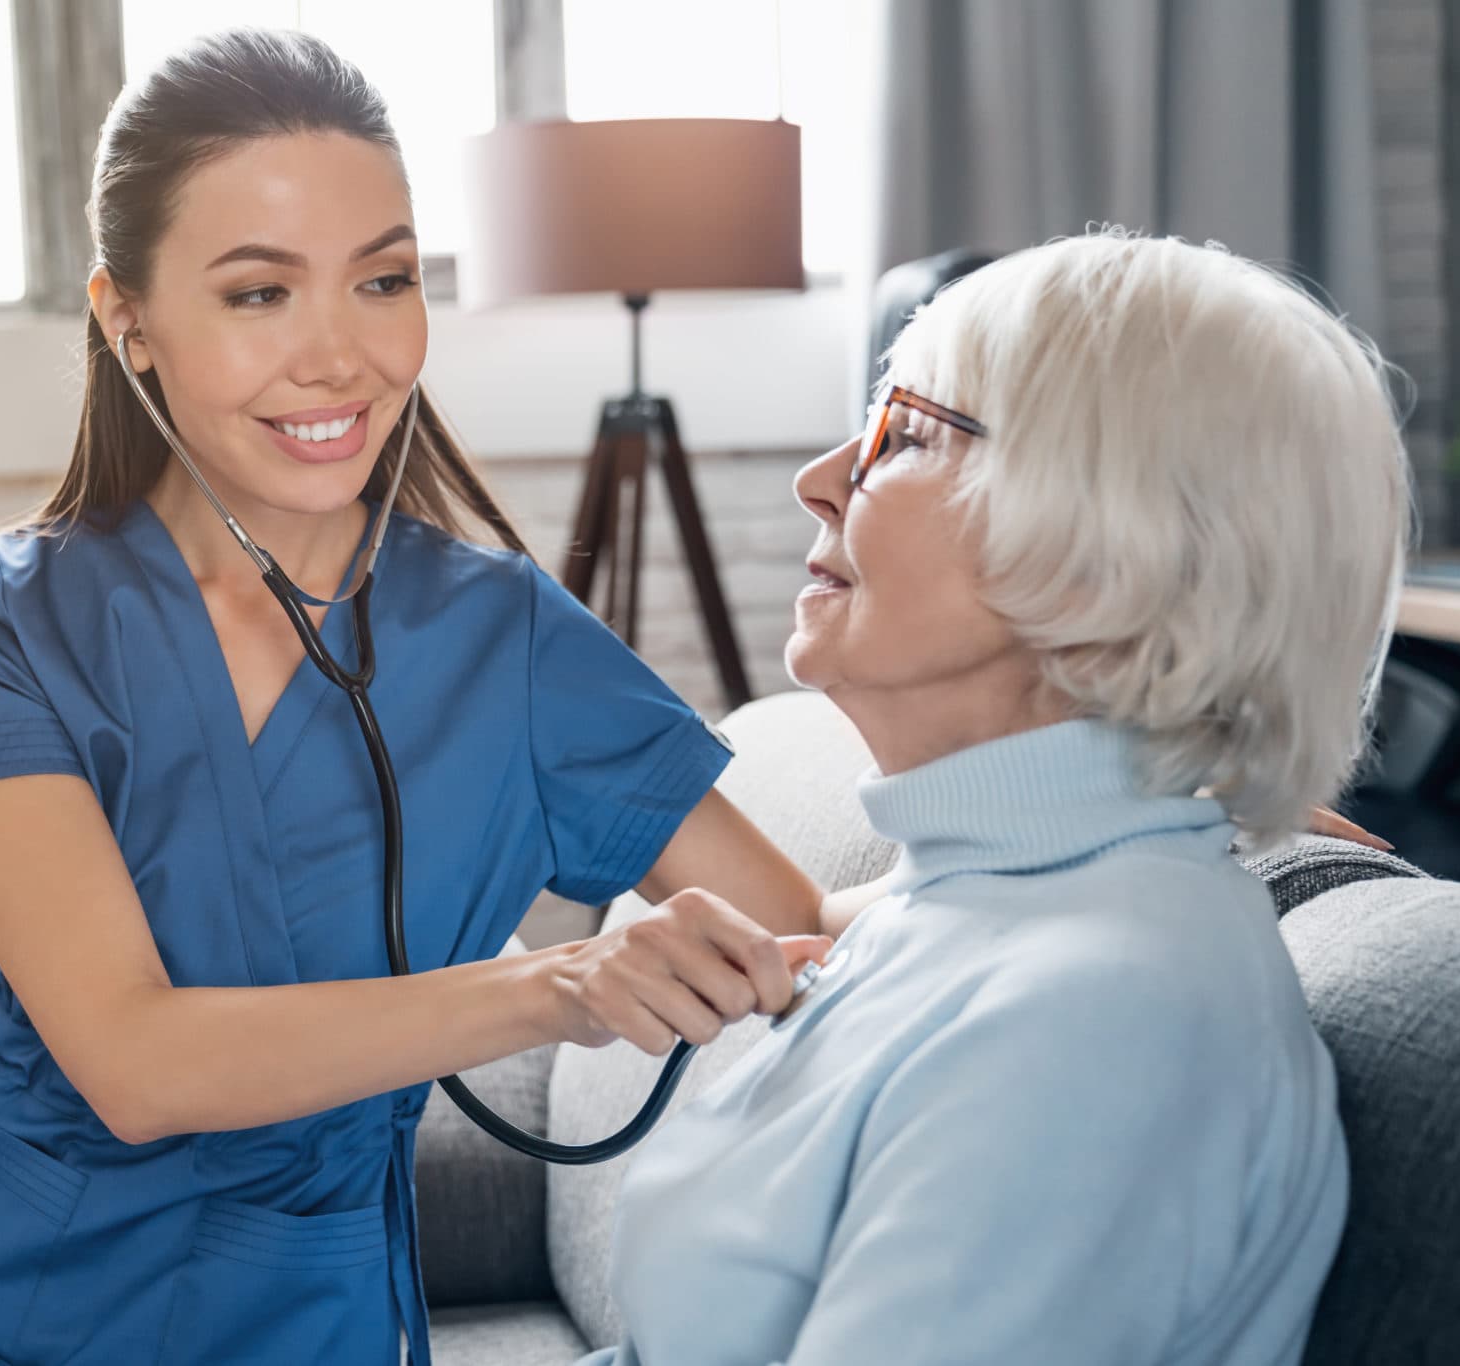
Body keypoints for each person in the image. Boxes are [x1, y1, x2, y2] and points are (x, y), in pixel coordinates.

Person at [0, 29, 851, 1366]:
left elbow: (812, 935)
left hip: (286, 1320)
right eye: (257, 294)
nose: (340, 357)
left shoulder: (511, 642)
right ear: (131, 324)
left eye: (384, 279)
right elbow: (137, 1065)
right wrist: (554, 984)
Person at [583, 230, 1408, 1366]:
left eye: (902, 434)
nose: (818, 478)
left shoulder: (1100, 1021)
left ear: (1108, 550)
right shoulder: (972, 898)